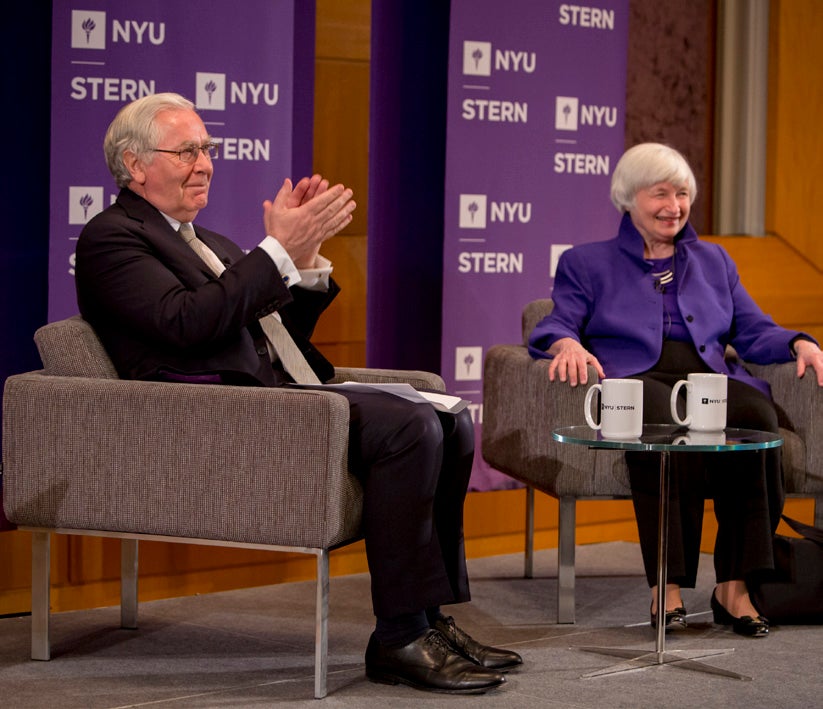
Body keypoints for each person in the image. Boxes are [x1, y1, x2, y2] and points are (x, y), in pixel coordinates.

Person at [74, 92, 521, 694]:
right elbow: (186, 323)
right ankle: (398, 638)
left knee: (451, 419)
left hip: (280, 398)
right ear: (135, 165)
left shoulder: (203, 240)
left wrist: (302, 261)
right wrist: (274, 251)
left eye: (207, 149)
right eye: (187, 151)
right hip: (218, 415)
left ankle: (431, 620)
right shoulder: (112, 239)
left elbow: (276, 336)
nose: (205, 162)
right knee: (409, 426)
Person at [529, 142, 823, 638]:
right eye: (660, 193)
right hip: (638, 379)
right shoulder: (587, 262)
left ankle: (734, 586)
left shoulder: (715, 261)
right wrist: (564, 343)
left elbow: (751, 329)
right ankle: (665, 588)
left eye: (682, 193)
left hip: (707, 373)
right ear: (628, 198)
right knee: (669, 431)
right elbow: (558, 320)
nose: (674, 206)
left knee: (758, 417)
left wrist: (799, 342)